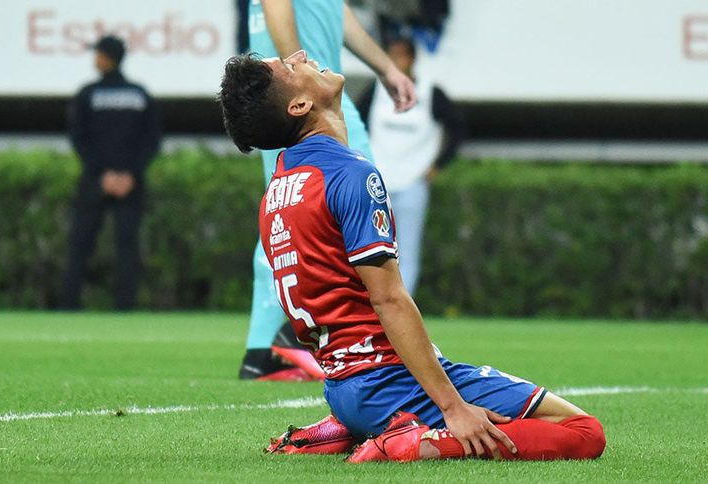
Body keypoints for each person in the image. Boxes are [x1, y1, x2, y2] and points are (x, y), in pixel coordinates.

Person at [218, 51, 606, 463]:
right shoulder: (348, 173)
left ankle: (347, 427)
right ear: (299, 105)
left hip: (343, 387)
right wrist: (454, 408)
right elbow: (388, 299)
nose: (299, 55)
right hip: (390, 381)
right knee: (584, 432)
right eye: (290, 66)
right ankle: (406, 441)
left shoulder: (277, 190)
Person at [239, 0, 417, 380]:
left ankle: (264, 348)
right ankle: (315, 337)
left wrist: (386, 68)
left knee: (287, 211)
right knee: (352, 206)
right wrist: (298, 76)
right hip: (307, 100)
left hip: (303, 95)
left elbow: (336, 12)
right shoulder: (307, 84)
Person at [60, 35, 162, 311]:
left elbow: (79, 138)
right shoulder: (140, 94)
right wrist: (130, 174)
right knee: (127, 247)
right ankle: (124, 307)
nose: (95, 59)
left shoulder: (88, 94)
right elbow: (151, 141)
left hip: (95, 181)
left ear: (107, 57)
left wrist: (101, 174)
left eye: (99, 54)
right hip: (131, 183)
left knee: (80, 244)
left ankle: (68, 305)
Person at [356, 37, 464, 295]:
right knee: (369, 249)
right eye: (391, 55)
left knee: (407, 251)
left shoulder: (429, 92)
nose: (396, 61)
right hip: (376, 184)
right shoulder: (376, 90)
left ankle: (402, 308)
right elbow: (355, 123)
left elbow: (458, 128)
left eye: (401, 55)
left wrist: (437, 165)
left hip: (412, 183)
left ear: (412, 59)